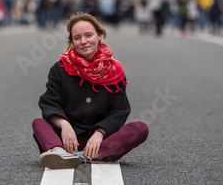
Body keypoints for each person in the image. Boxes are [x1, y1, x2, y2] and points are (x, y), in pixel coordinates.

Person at [32, 12, 149, 169]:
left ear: (99, 36)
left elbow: (120, 111)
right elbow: (48, 102)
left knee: (140, 128)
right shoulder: (59, 68)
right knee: (38, 123)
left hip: (100, 142)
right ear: (72, 41)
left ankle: (83, 156)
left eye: (88, 35)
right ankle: (59, 152)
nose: (84, 41)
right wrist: (65, 125)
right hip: (67, 140)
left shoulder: (115, 71)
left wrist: (100, 133)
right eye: (77, 37)